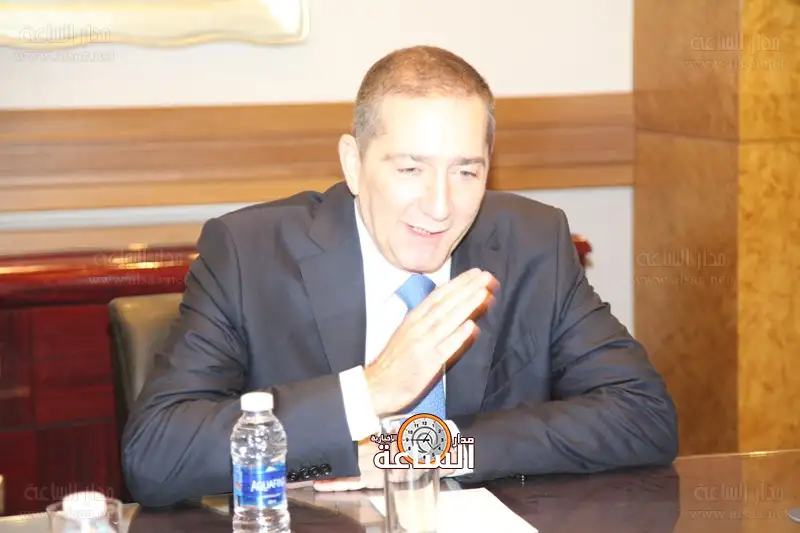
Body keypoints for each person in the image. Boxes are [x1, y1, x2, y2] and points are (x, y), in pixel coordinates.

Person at [121, 45, 678, 507]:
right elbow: (156, 456)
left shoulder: (533, 243)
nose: (440, 206)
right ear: (353, 164)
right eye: (411, 168)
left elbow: (644, 416)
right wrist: (371, 390)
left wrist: (427, 450)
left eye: (466, 172)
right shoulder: (250, 254)